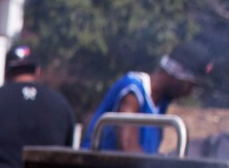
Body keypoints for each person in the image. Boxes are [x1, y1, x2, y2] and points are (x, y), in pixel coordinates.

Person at [86, 43, 214, 153]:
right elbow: (127, 149)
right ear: (179, 75)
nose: (189, 93)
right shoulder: (133, 91)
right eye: (191, 86)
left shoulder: (161, 104)